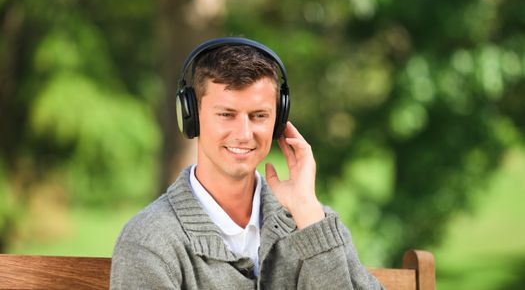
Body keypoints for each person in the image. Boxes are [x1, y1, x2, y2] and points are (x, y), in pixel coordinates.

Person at [110, 37, 385, 289]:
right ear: (192, 117)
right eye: (227, 114)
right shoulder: (150, 241)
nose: (243, 134)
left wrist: (308, 214)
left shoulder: (313, 222)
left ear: (279, 121)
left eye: (259, 116)